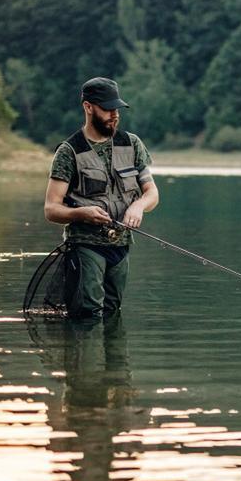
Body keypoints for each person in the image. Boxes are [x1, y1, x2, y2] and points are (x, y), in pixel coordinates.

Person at [44, 77, 159, 319]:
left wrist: (138, 207)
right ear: (88, 107)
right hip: (85, 247)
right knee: (89, 315)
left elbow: (152, 193)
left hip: (121, 248)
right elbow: (51, 209)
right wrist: (80, 213)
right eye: (107, 109)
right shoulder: (69, 151)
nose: (114, 114)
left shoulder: (132, 143)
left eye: (117, 108)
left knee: (112, 313)